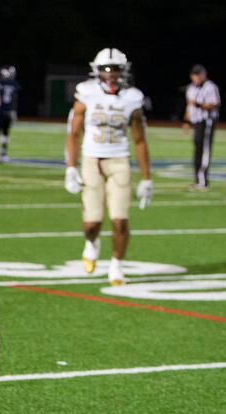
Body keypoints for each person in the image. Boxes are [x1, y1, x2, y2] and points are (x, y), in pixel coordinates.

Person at [65, 48, 153, 286]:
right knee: (91, 223)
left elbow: (140, 139)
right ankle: (92, 242)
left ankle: (117, 264)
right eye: (106, 69)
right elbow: (74, 132)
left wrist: (147, 178)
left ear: (124, 71)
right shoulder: (87, 92)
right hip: (92, 161)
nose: (111, 74)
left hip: (119, 161)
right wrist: (70, 166)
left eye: (115, 69)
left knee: (120, 220)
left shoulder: (133, 97)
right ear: (97, 70)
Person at [183, 64, 220, 190]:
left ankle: (203, 181)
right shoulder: (191, 88)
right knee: (197, 148)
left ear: (204, 74)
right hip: (196, 121)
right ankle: (199, 179)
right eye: (195, 74)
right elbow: (189, 106)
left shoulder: (210, 87)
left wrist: (199, 105)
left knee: (204, 150)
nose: (197, 77)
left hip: (207, 121)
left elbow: (215, 104)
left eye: (199, 74)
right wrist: (187, 121)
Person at [0, 66, 20, 162]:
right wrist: (14, 111)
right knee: (4, 133)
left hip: (0, 111)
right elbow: (14, 99)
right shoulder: (12, 84)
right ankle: (2, 152)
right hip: (5, 111)